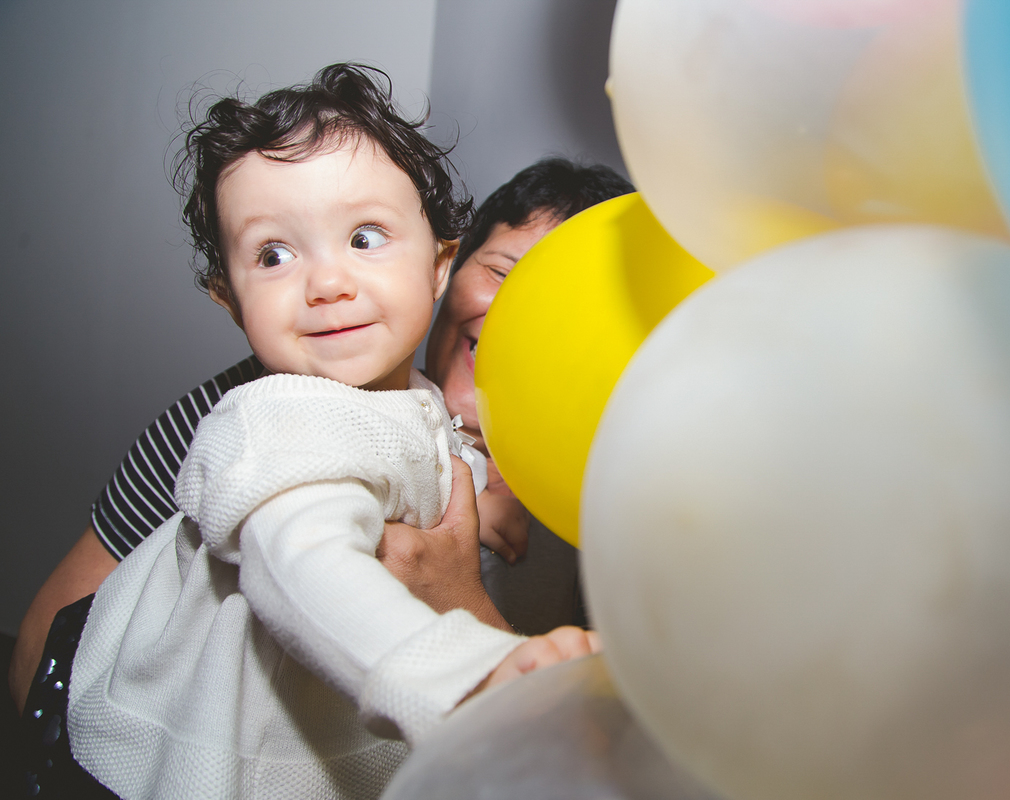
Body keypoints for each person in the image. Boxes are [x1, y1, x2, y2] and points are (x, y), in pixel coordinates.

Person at [55, 63, 599, 799]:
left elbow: (415, 445)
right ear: (229, 301)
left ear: (437, 260)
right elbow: (302, 565)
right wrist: (469, 677)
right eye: (273, 255)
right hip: (197, 764)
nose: (326, 281)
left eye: (365, 237)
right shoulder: (271, 417)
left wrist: (474, 482)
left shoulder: (415, 399)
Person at [10, 159, 634, 721]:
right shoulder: (262, 409)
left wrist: (459, 593)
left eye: (567, 299)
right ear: (447, 266)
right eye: (505, 273)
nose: (523, 311)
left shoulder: (599, 501)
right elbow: (53, 634)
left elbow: (565, 733)